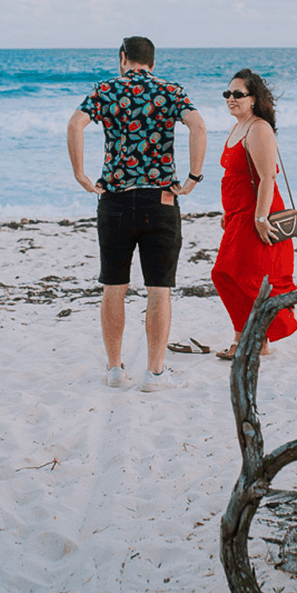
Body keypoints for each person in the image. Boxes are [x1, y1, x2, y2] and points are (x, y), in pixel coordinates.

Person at [68, 37, 207, 392]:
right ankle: (154, 372)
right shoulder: (170, 91)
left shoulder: (106, 90)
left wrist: (81, 175)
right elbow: (199, 126)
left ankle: (115, 369)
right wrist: (192, 178)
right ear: (152, 62)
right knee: (159, 290)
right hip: (159, 202)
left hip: (114, 201)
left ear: (122, 58)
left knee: (113, 286)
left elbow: (75, 126)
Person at [211, 69, 297, 358]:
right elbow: (238, 176)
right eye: (228, 93)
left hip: (257, 214)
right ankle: (252, 340)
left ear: (253, 99)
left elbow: (266, 178)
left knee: (245, 277)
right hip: (238, 214)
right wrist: (228, 212)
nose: (231, 99)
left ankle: (251, 341)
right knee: (227, 275)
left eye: (238, 94)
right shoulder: (238, 126)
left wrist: (260, 218)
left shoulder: (259, 128)